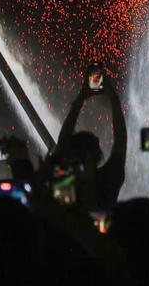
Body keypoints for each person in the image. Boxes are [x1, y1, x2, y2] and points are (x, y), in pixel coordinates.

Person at [49, 63, 127, 209]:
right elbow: (121, 139)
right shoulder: (107, 185)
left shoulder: (64, 185)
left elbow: (63, 141)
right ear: (96, 156)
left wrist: (81, 98)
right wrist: (112, 96)